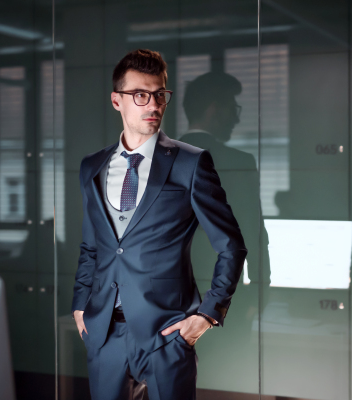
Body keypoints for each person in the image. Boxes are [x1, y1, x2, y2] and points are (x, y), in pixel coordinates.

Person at [71, 49, 248, 400]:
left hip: (167, 333)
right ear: (116, 101)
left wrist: (207, 314)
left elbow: (231, 245)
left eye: (159, 94)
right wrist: (80, 304)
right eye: (140, 95)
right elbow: (92, 246)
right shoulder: (92, 166)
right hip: (103, 330)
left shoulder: (190, 163)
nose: (153, 104)